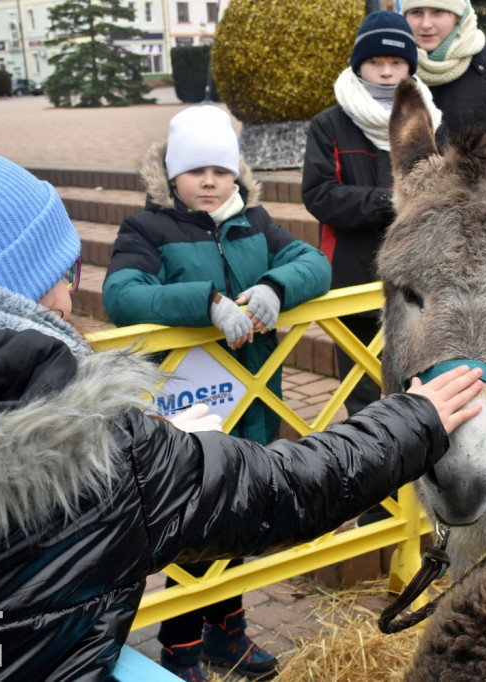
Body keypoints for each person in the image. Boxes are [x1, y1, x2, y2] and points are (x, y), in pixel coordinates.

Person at [0, 133, 485, 681]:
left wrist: (274, 286)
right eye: (56, 276)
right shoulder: (97, 449)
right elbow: (287, 488)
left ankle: (223, 632)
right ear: (1, 293)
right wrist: (414, 418)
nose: (69, 298)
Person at [101, 105, 332, 679]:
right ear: (171, 176)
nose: (209, 182)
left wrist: (277, 286)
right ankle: (180, 650)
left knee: (237, 515)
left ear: (237, 174)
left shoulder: (253, 222)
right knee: (190, 523)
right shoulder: (146, 229)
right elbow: (122, 294)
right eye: (196, 171)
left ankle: (228, 634)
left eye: (221, 171)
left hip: (253, 402)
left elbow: (312, 262)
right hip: (187, 409)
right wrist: (204, 303)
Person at [302, 11, 442, 417]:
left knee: (417, 374)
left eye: (397, 63)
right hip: (353, 273)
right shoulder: (329, 125)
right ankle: (370, 463)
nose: (386, 73)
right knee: (360, 387)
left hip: (417, 278)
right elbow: (320, 194)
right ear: (358, 64)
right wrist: (389, 201)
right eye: (375, 63)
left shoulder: (430, 122)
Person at [400, 0, 486, 137]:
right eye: (416, 12)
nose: (426, 24)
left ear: (459, 17)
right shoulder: (388, 74)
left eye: (438, 12)